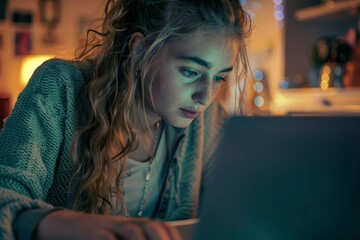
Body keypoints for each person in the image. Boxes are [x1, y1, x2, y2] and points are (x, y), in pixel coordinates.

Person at [0, 0, 251, 239]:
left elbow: (235, 216)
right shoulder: (60, 89)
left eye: (219, 77)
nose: (205, 96)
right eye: (190, 71)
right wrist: (65, 223)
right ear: (141, 50)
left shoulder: (208, 121)